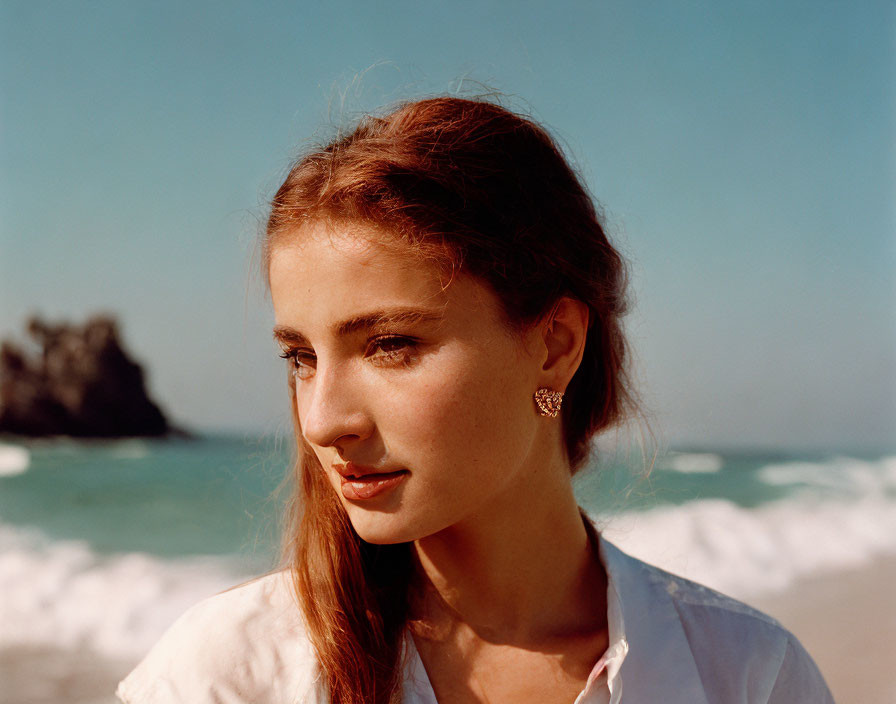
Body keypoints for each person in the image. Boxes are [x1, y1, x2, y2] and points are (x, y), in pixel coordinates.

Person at [116, 97, 834, 704]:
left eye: (390, 344)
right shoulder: (224, 677)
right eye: (301, 358)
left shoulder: (746, 676)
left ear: (554, 345)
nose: (323, 420)